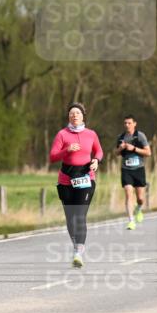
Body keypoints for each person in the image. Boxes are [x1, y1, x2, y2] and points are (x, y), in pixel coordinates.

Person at [50, 103, 104, 268]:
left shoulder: (91, 134)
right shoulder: (62, 134)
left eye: (78, 113)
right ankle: (76, 244)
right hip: (66, 179)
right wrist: (67, 150)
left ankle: (78, 252)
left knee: (80, 215)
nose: (74, 116)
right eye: (72, 113)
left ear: (83, 116)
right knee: (70, 218)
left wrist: (96, 160)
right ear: (68, 117)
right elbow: (53, 156)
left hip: (86, 178)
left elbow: (99, 151)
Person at [115, 115, 151, 230]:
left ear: (134, 124)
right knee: (128, 193)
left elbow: (148, 152)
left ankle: (138, 209)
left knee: (140, 198)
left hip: (139, 169)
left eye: (129, 123)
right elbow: (116, 153)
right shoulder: (121, 137)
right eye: (125, 123)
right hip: (126, 169)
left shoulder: (140, 136)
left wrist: (134, 148)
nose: (127, 125)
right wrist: (120, 148)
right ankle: (131, 221)